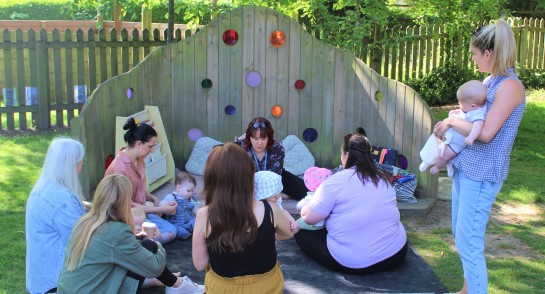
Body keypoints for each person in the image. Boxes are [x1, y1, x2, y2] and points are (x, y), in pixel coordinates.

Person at [433, 19, 525, 294]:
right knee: (462, 239)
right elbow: (474, 119)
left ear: (488, 54)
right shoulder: (490, 81)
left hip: (483, 173)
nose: (472, 58)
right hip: (468, 167)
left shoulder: (510, 86)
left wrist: (450, 123)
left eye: (475, 53)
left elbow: (485, 134)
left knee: (469, 241)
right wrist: (457, 117)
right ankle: (466, 290)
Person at [57, 174, 205, 294]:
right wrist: (155, 243)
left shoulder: (84, 222)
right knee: (149, 248)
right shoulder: (116, 232)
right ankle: (177, 286)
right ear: (124, 202)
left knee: (141, 250)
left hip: (71, 289)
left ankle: (176, 285)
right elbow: (155, 267)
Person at [295, 132, 408, 274]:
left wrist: (306, 206)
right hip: (396, 253)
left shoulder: (335, 181)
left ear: (346, 154)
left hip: (356, 261)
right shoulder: (383, 178)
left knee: (301, 231)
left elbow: (308, 217)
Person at [192, 143, 293, 292]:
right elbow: (288, 232)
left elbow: (200, 264)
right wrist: (263, 237)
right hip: (266, 288)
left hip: (223, 289)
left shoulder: (204, 214)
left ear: (211, 178)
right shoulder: (270, 209)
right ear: (249, 176)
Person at [25, 137, 86, 294]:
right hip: (57, 284)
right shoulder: (64, 200)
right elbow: (83, 242)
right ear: (71, 165)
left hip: (40, 280)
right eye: (80, 161)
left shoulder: (42, 188)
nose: (82, 165)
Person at [105, 117, 177, 244]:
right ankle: (146, 243)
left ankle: (150, 241)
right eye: (150, 146)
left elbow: (138, 188)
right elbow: (127, 205)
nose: (152, 150)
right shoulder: (120, 169)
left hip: (139, 213)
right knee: (168, 231)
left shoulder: (139, 159)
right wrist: (161, 209)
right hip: (125, 216)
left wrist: (154, 199)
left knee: (172, 229)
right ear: (139, 144)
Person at [420, 80, 487, 176]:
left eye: (461, 103)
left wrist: (471, 137)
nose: (459, 105)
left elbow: (478, 126)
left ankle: (437, 167)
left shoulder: (478, 114)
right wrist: (456, 112)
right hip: (450, 137)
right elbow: (463, 114)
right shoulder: (471, 109)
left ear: (473, 106)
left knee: (443, 156)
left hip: (455, 145)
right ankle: (426, 161)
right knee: (436, 149)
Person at [131, 207, 204, 292]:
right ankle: (171, 282)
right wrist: (153, 244)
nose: (138, 227)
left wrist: (152, 234)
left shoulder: (140, 234)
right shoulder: (129, 239)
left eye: (141, 224)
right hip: (133, 281)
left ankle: (168, 279)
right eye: (135, 224)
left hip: (140, 276)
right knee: (151, 251)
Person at [234, 117, 308, 200]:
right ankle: (275, 196)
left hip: (271, 179)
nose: (259, 143)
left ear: (269, 138)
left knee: (304, 191)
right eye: (255, 139)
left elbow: (275, 176)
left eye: (263, 139)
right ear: (249, 137)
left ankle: (274, 195)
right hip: (247, 179)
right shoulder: (239, 146)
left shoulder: (277, 147)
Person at [160, 172, 202, 240]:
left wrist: (200, 215)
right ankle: (188, 233)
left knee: (197, 224)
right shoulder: (171, 197)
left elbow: (195, 208)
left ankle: (194, 232)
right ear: (178, 187)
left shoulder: (189, 199)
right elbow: (161, 205)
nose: (190, 193)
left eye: (192, 191)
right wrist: (167, 205)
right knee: (182, 233)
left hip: (189, 221)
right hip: (177, 223)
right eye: (188, 191)